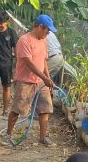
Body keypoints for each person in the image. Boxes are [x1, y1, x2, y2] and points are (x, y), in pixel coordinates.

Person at [5, 13, 56, 147]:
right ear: (39, 27)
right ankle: (8, 135)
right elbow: (29, 63)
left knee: (45, 109)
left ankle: (43, 137)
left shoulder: (44, 41)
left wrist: (48, 78)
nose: (48, 33)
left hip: (41, 82)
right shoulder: (25, 40)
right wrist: (44, 78)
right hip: (25, 81)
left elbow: (43, 61)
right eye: (47, 30)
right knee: (17, 110)